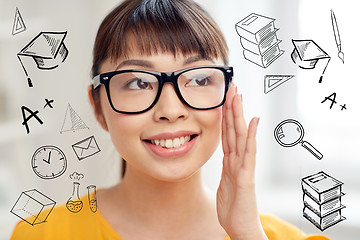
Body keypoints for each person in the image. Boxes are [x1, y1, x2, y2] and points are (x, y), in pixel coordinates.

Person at [11, 0, 329, 239]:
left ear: (229, 94)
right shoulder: (41, 233)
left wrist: (246, 233)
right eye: (138, 82)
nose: (171, 109)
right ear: (98, 106)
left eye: (200, 79)